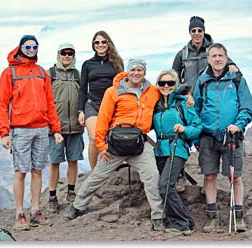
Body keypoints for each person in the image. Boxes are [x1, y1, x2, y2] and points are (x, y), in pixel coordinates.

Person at [65, 59, 165, 231]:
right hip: (115, 144)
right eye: (133, 69)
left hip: (139, 144)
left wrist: (187, 96)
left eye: (139, 70)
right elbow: (103, 118)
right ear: (127, 72)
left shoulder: (153, 91)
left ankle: (158, 216)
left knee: (152, 175)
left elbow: (170, 93)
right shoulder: (113, 92)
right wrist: (101, 146)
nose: (136, 73)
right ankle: (76, 206)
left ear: (144, 72)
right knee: (98, 175)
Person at [0, 34, 64, 231]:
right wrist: (4, 133)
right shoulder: (9, 73)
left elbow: (50, 104)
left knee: (37, 171)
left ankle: (35, 211)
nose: (32, 50)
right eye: (28, 47)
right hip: (20, 130)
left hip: (42, 129)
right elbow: (2, 105)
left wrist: (56, 129)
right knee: (20, 172)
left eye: (35, 47)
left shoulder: (42, 73)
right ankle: (19, 213)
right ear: (20, 48)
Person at [172, 16, 239, 193]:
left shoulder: (213, 50)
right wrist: (185, 93)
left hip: (207, 102)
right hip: (188, 102)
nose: (196, 33)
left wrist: (233, 66)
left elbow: (230, 66)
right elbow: (174, 77)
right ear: (189, 32)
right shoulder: (183, 54)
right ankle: (179, 177)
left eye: (199, 30)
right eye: (193, 31)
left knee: (204, 141)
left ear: (204, 31)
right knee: (183, 139)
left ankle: (208, 181)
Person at [193, 43, 252, 233]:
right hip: (208, 137)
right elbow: (195, 109)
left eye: (221, 55)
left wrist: (239, 124)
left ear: (226, 58)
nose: (217, 59)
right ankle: (212, 217)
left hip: (232, 137)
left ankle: (239, 216)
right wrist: (197, 136)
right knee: (210, 176)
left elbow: (247, 106)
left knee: (235, 177)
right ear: (208, 59)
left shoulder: (237, 79)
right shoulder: (202, 81)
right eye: (214, 56)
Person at [153, 69, 202, 235]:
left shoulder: (183, 103)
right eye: (162, 83)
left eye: (170, 83)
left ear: (175, 85)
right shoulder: (155, 104)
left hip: (177, 148)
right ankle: (187, 222)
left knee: (165, 185)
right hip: (160, 151)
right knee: (165, 186)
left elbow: (197, 126)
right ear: (157, 85)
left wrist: (184, 129)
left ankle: (182, 223)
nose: (166, 86)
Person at [78, 30, 124, 171]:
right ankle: (94, 173)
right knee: (94, 138)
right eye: (97, 42)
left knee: (112, 138)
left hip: (112, 105)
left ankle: (109, 168)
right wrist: (80, 110)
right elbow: (83, 88)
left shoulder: (117, 62)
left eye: (103, 42)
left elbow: (122, 86)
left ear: (108, 43)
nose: (100, 45)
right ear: (93, 45)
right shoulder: (88, 64)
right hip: (92, 104)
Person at [47, 43, 84, 213]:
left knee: (73, 160)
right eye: (64, 53)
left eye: (70, 53)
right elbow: (45, 99)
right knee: (54, 161)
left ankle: (71, 192)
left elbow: (84, 96)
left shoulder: (78, 74)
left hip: (75, 126)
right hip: (56, 127)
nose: (67, 56)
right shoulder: (51, 74)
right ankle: (52, 197)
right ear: (59, 54)